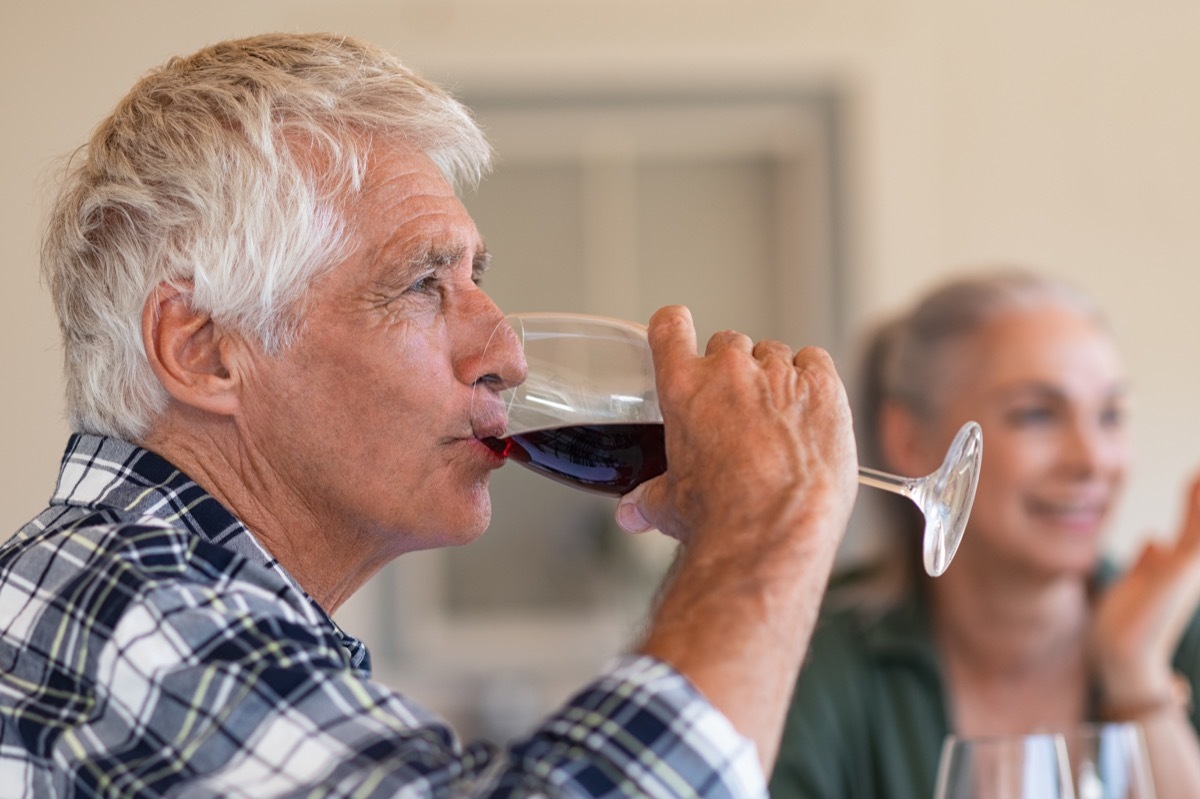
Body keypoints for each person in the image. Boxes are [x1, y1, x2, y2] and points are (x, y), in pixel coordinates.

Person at [0, 32, 859, 797]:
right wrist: (765, 521)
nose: (507, 352)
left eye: (476, 276)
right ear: (202, 349)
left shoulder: (152, 596)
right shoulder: (126, 610)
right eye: (423, 283)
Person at [769, 270, 1200, 798]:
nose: (1093, 460)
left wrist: (1136, 675)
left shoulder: (1182, 641)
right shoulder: (808, 650)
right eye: (1037, 414)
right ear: (909, 440)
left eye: (1111, 414)